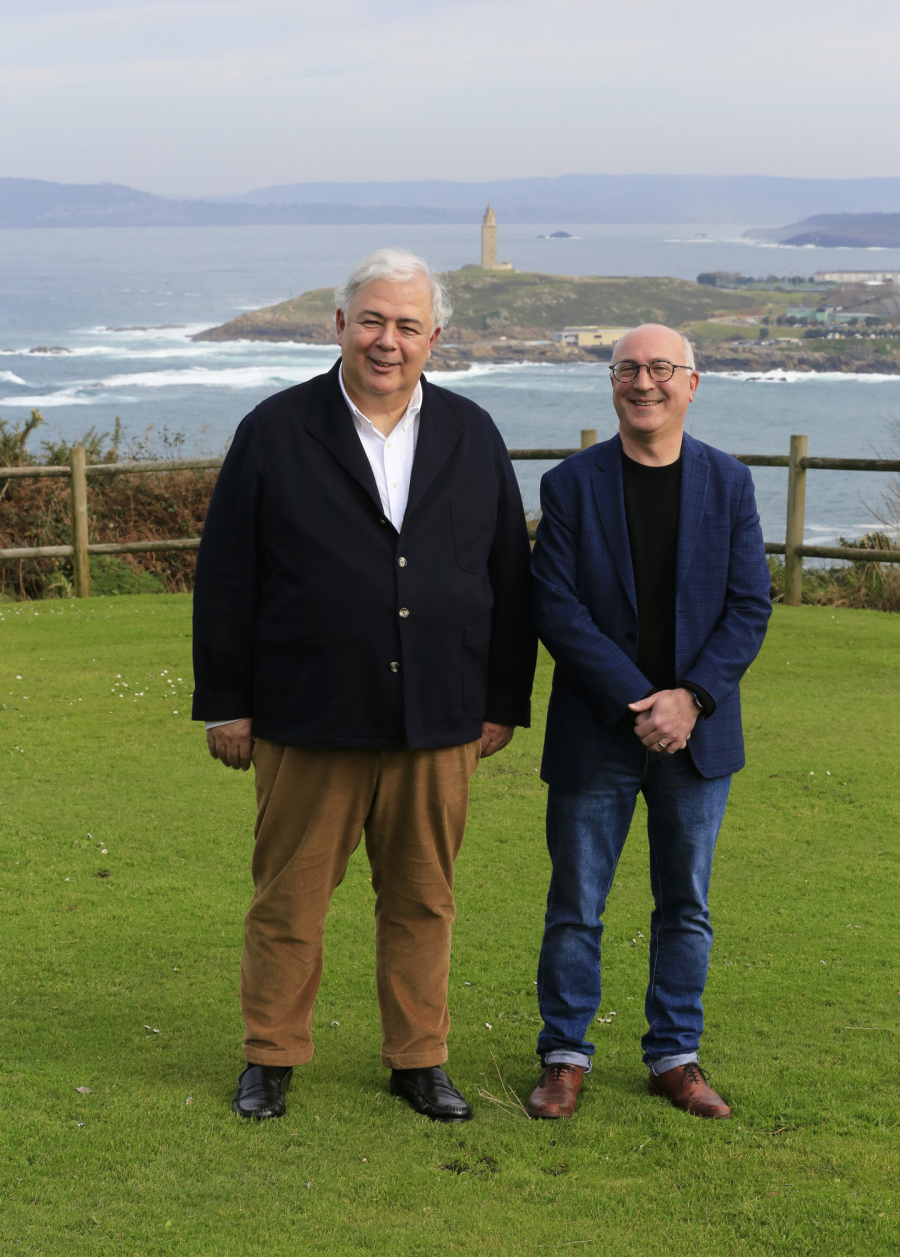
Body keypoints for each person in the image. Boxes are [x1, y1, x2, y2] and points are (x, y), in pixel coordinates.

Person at [192, 248, 535, 1123]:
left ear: (435, 338)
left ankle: (418, 1060)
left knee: (424, 901)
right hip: (310, 716)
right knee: (288, 902)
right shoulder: (275, 429)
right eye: (374, 321)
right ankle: (270, 1056)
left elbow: (507, 575)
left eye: (408, 326)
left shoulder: (472, 432)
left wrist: (502, 701)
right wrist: (226, 702)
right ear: (340, 326)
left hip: (440, 717)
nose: (389, 341)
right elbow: (227, 575)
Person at [524, 323, 771, 1121]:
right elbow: (555, 608)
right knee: (576, 904)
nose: (645, 382)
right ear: (612, 383)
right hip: (599, 731)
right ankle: (565, 1055)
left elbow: (749, 605)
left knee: (686, 906)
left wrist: (690, 698)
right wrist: (644, 700)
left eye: (662, 368)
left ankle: (675, 1055)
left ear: (691, 384)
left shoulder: (729, 484)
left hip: (699, 738)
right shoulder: (569, 486)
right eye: (629, 368)